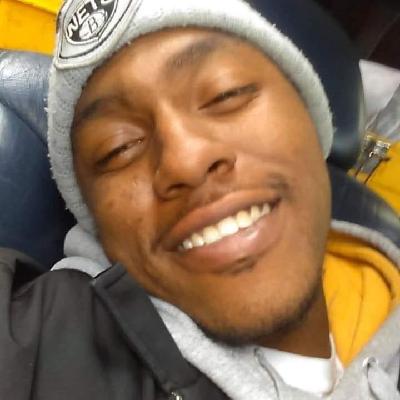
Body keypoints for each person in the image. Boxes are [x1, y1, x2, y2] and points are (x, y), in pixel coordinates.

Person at [1, 0, 400, 399]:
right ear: (97, 226)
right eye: (118, 148)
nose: (186, 160)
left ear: (311, 121)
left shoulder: (381, 273)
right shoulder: (47, 341)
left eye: (227, 94)